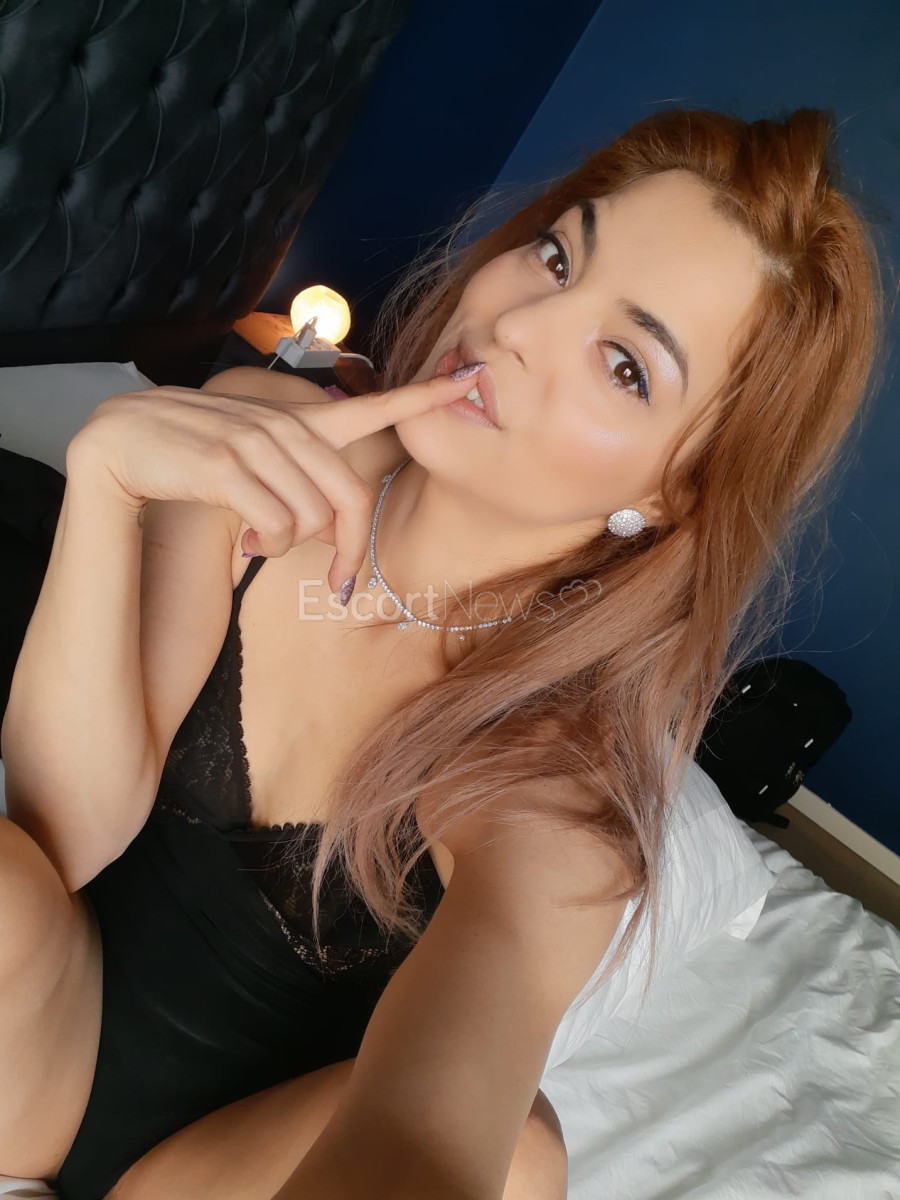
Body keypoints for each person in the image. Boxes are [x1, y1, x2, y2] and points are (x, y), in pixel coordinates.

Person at [0, 106, 883, 1200]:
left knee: (520, 1157)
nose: (523, 325)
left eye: (625, 365)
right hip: (43, 1040)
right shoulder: (265, 436)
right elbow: (64, 834)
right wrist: (106, 482)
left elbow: (431, 1133)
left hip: (210, 1179)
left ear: (671, 491)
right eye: (557, 256)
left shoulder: (558, 784)